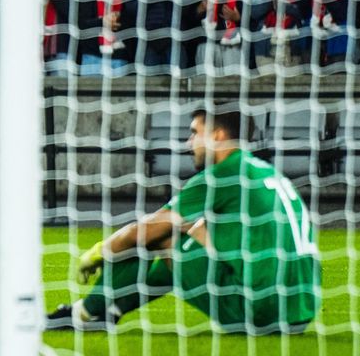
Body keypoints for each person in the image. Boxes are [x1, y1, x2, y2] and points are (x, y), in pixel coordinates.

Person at [48, 109, 321, 334]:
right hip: (299, 311)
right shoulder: (260, 169)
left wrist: (97, 253)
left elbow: (142, 234)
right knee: (183, 237)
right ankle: (111, 311)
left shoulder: (224, 174)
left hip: (261, 312)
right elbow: (197, 231)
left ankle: (85, 313)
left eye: (194, 133)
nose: (189, 143)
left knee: (157, 237)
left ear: (217, 135)